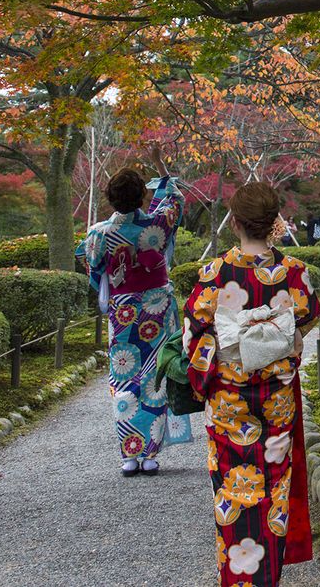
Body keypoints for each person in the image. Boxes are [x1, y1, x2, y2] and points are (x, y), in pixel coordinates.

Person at [185, 181, 320, 586]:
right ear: (273, 222)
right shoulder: (295, 272)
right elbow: (306, 322)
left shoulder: (213, 273)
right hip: (276, 396)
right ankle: (267, 578)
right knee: (274, 488)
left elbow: (193, 336)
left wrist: (210, 374)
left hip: (229, 401)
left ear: (236, 221)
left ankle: (238, 577)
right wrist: (275, 345)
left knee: (231, 488)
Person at [78, 167, 194, 475]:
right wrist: (163, 174)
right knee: (156, 376)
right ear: (142, 195)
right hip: (158, 307)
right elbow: (173, 200)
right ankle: (152, 455)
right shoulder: (155, 224)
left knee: (124, 377)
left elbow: (92, 264)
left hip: (124, 310)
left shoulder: (99, 232)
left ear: (110, 198)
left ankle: (129, 456)